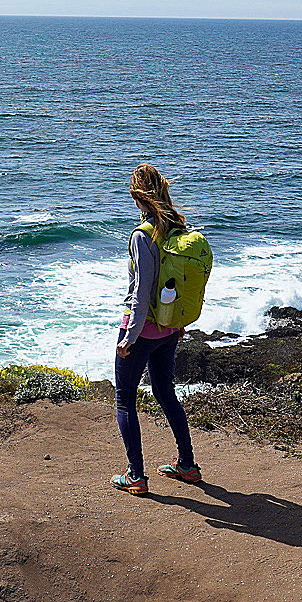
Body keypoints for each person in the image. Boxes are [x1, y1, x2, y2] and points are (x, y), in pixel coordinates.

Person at [112, 163, 201, 495]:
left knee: (124, 400)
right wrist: (177, 323)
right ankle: (187, 466)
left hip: (144, 330)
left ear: (137, 197)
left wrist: (128, 337)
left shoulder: (142, 235)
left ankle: (136, 475)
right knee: (165, 392)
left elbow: (141, 290)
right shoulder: (178, 229)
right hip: (169, 328)